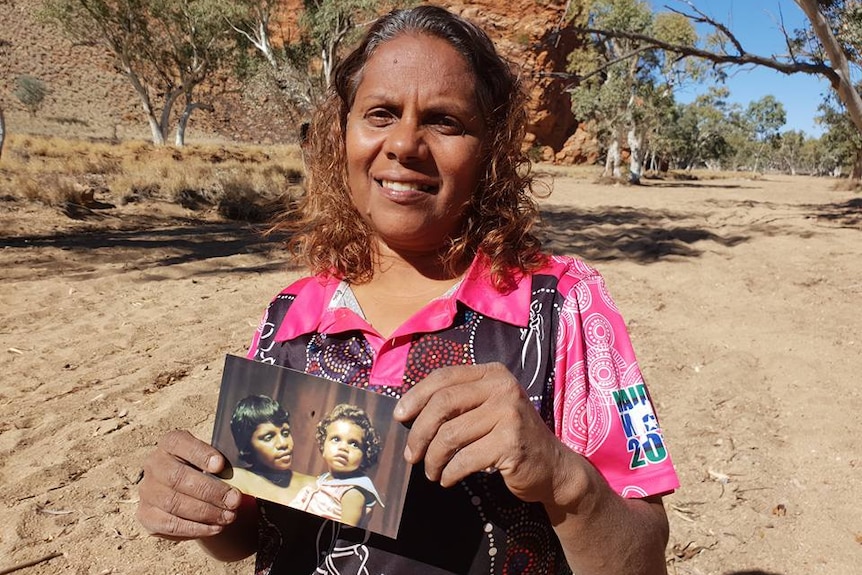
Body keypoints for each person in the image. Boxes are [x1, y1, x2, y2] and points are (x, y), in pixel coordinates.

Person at [136, 5, 679, 575]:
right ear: (341, 133)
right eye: (380, 113)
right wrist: (202, 506)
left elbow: (641, 559)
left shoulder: (562, 306)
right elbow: (250, 535)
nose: (405, 145)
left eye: (445, 121)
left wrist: (562, 477)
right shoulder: (292, 316)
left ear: (490, 151)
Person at [288, 403, 384, 527]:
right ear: (323, 445)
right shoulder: (325, 479)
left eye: (354, 444)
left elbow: (344, 534)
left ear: (365, 455)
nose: (343, 447)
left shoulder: (353, 491)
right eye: (336, 439)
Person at [221, 395, 315, 504]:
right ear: (247, 445)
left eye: (285, 433)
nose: (283, 443)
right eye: (269, 437)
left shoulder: (314, 486)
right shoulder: (236, 479)